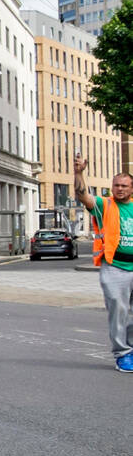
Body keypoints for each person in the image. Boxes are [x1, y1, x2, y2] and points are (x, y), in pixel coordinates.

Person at [74, 157, 133, 372]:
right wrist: (79, 173)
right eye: (116, 185)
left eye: (124, 186)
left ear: (131, 188)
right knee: (118, 309)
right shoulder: (104, 205)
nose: (119, 189)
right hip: (115, 266)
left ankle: (132, 348)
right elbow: (83, 196)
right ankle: (122, 353)